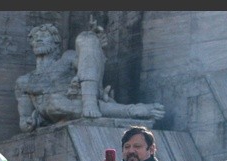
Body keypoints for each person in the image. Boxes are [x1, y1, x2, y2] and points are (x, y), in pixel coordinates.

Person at [15, 21, 164, 132]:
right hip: (56, 108)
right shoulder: (24, 81)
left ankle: (90, 102)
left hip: (84, 96)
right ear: (31, 44)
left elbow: (90, 64)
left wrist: (96, 45)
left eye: (44, 36)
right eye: (35, 37)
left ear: (56, 42)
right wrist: (30, 122)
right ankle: (131, 111)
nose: (39, 39)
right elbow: (24, 120)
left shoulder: (67, 58)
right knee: (55, 102)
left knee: (86, 37)